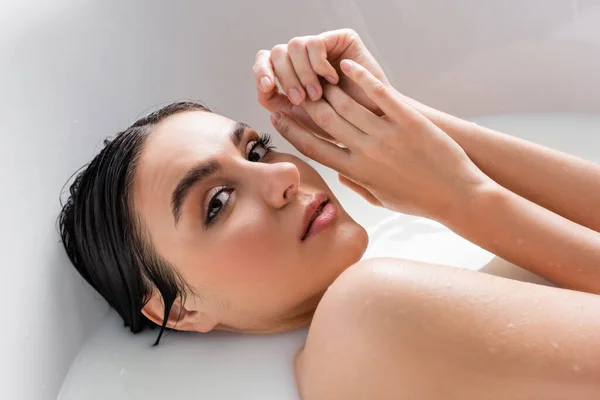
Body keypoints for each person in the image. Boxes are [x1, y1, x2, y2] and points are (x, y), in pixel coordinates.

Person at [59, 29, 600, 399]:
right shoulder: (366, 313)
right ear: (176, 312)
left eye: (256, 150)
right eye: (217, 203)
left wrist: (393, 116)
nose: (282, 174)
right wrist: (458, 198)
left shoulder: (400, 320)